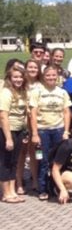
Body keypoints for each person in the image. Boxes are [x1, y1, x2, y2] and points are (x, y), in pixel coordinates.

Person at [29, 65, 72, 200]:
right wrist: (35, 134)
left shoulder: (62, 92)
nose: (51, 78)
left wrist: (66, 131)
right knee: (43, 160)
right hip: (43, 130)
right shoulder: (37, 92)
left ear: (57, 76)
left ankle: (56, 187)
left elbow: (66, 112)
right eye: (48, 75)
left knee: (58, 161)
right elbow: (33, 114)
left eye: (54, 75)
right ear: (43, 76)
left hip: (58, 129)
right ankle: (42, 189)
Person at [0, 65, 28, 203]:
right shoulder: (6, 92)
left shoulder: (21, 92)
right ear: (10, 78)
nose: (18, 79)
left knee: (14, 161)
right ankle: (5, 193)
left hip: (19, 130)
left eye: (20, 77)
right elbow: (3, 116)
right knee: (5, 162)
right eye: (15, 77)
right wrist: (8, 138)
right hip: (7, 131)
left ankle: (12, 190)